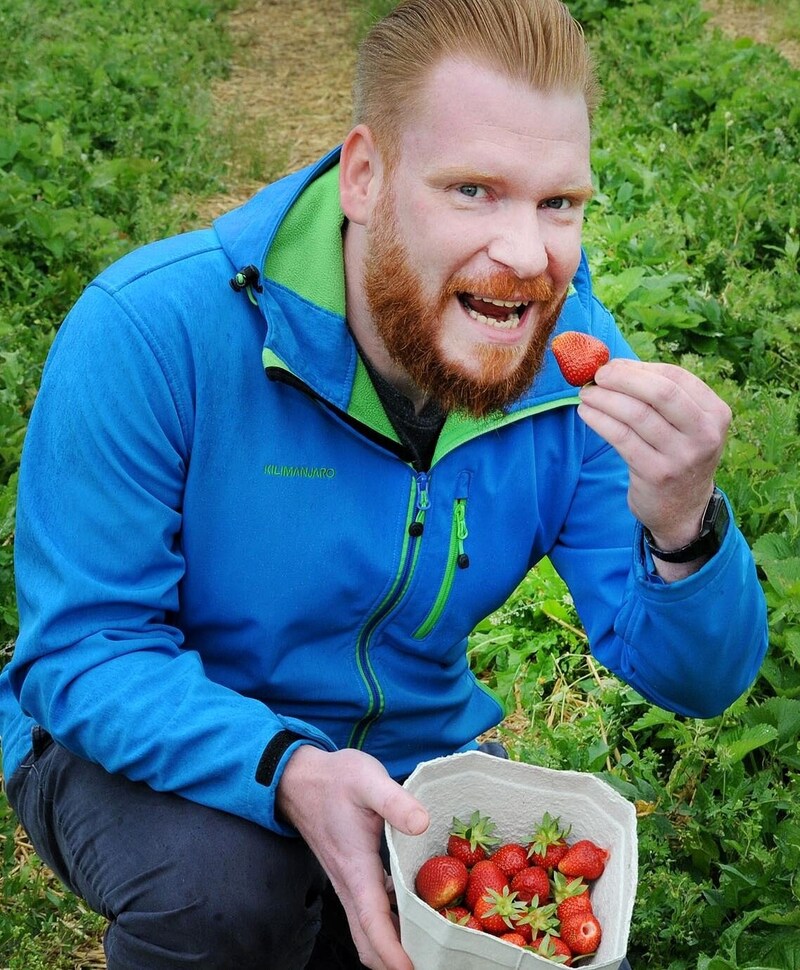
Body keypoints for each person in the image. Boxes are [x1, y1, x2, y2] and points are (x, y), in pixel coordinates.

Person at [0, 0, 767, 967]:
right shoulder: (150, 333)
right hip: (136, 739)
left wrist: (684, 527)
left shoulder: (570, 366)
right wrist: (286, 769)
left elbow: (695, 682)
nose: (529, 256)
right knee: (228, 895)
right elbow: (84, 649)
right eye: (475, 190)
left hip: (407, 752)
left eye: (559, 203)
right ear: (365, 174)